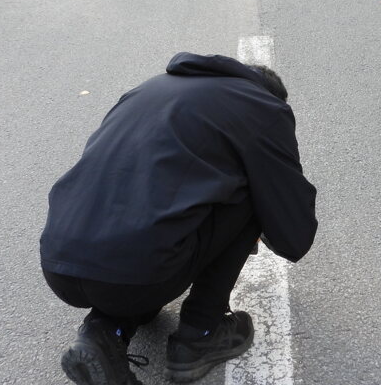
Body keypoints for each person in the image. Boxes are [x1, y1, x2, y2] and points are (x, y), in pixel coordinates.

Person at [39, 52, 317, 385]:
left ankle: (103, 332)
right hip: (140, 272)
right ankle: (201, 334)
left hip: (59, 263)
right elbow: (294, 233)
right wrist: (260, 224)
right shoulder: (264, 108)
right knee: (255, 192)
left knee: (137, 244)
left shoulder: (149, 90)